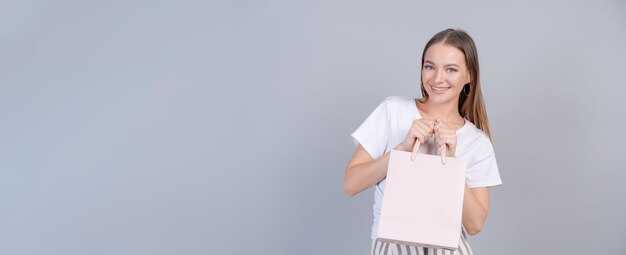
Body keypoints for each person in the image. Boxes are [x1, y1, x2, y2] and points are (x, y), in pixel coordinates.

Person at [344, 29, 503, 255]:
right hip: (391, 246)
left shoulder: (477, 141)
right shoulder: (393, 111)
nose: (437, 78)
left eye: (451, 69)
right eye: (430, 66)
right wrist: (400, 150)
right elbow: (351, 184)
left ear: (470, 76)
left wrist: (451, 161)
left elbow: (475, 224)